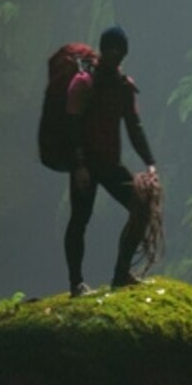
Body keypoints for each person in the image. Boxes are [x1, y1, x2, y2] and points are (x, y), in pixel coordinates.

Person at [62, 25, 158, 295]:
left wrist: (150, 163)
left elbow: (134, 127)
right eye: (111, 48)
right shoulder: (83, 83)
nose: (115, 53)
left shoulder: (123, 87)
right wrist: (79, 165)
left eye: (120, 49)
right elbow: (72, 126)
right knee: (80, 220)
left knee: (143, 207)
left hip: (109, 164)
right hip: (86, 165)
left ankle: (121, 273)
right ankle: (76, 283)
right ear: (103, 49)